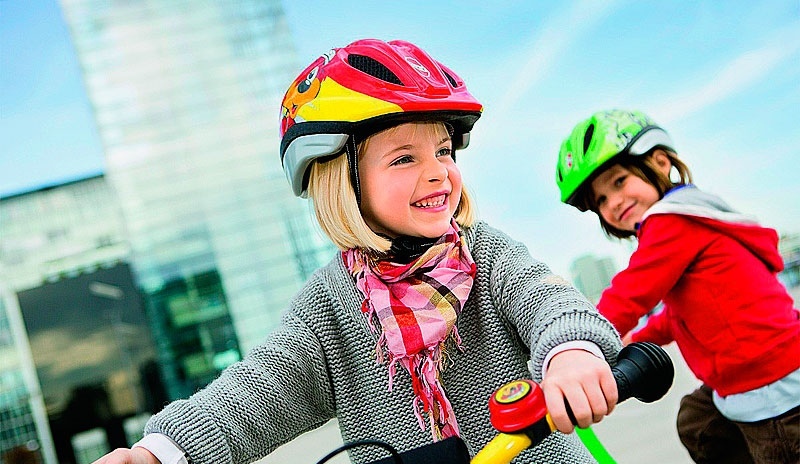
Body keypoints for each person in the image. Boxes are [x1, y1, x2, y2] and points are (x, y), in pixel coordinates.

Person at [94, 39, 623, 464]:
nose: (438, 170)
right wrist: (161, 453)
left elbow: (548, 299)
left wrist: (570, 354)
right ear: (340, 182)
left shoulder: (485, 253)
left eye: (442, 150)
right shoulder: (327, 306)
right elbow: (256, 394)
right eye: (403, 159)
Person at [555, 108, 800, 464]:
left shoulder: (671, 222)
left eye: (619, 182)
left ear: (659, 161)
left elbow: (630, 293)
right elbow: (675, 318)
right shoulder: (684, 225)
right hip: (738, 385)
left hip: (773, 391)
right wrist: (630, 340)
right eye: (602, 201)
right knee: (698, 423)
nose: (614, 202)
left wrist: (574, 343)